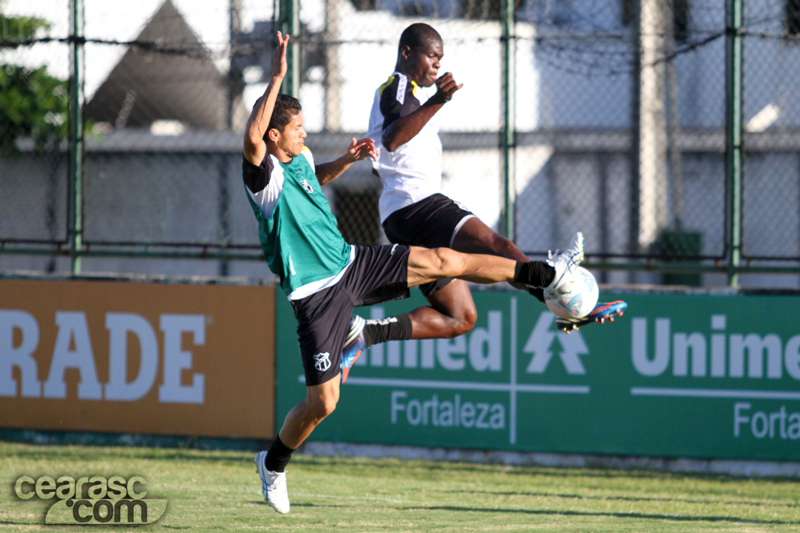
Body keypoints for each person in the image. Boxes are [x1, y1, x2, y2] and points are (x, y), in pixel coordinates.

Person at [244, 32, 586, 514]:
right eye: (295, 128)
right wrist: (277, 77)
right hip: (315, 296)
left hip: (352, 263)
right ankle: (273, 463)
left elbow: (311, 175)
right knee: (323, 405)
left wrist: (344, 161)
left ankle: (544, 274)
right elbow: (253, 139)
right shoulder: (261, 179)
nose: (303, 134)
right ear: (273, 137)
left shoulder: (297, 159)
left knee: (446, 262)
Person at [363, 22, 626, 343]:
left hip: (399, 218)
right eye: (431, 56)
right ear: (407, 52)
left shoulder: (397, 95)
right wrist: (438, 100)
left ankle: (366, 333)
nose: (437, 64)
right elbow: (391, 140)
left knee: (461, 318)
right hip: (419, 206)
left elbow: (382, 158)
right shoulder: (400, 86)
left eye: (440, 58)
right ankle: (564, 294)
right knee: (499, 247)